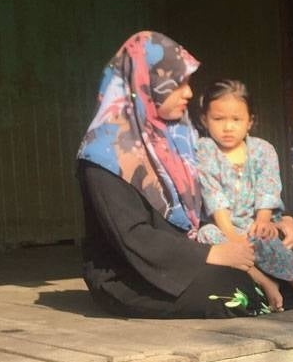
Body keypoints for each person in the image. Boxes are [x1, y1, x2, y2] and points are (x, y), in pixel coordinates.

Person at [77, 31, 269, 318]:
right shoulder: (105, 154)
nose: (189, 93)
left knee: (275, 270)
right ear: (146, 83)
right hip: (128, 275)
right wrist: (211, 254)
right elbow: (131, 237)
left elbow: (216, 200)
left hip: (185, 257)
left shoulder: (178, 139)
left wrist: (279, 221)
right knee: (234, 293)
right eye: (179, 84)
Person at [196, 80, 293, 313]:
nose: (228, 127)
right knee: (206, 235)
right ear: (204, 120)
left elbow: (268, 187)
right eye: (218, 119)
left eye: (236, 119)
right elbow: (213, 195)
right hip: (223, 226)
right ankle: (263, 281)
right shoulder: (204, 150)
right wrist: (232, 236)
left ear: (250, 121)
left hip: (256, 222)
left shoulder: (263, 150)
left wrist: (263, 220)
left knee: (266, 239)